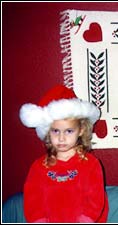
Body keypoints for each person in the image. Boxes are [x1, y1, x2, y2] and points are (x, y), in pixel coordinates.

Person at [19, 84, 109, 223]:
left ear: (81, 130)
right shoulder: (39, 167)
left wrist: (84, 220)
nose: (61, 138)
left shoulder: (91, 164)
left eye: (68, 131)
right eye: (56, 131)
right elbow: (32, 200)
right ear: (48, 131)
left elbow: (96, 199)